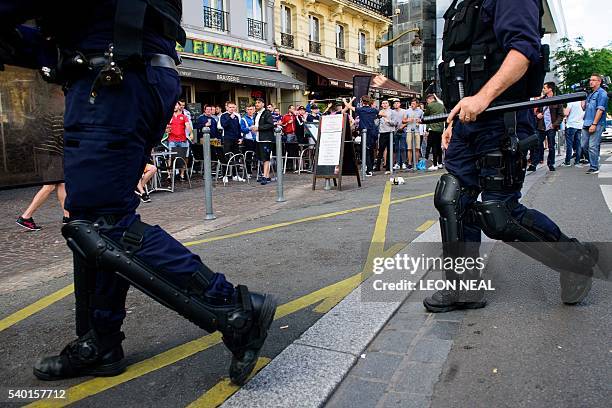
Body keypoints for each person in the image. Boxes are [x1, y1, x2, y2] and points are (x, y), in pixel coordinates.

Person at [0, 0, 276, 385]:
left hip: (113, 77)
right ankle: (102, 340)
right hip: (124, 73)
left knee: (101, 224)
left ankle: (232, 309)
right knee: (95, 220)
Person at [424, 0, 597, 313]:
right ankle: (464, 287)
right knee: (454, 199)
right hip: (467, 122)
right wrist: (453, 120)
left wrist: (482, 98)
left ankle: (576, 259)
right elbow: (459, 68)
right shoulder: (460, 5)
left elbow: (522, 54)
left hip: (501, 120)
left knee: (498, 212)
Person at [532, 82, 564, 171]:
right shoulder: (542, 100)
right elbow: (536, 111)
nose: (543, 89)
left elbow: (561, 115)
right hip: (541, 126)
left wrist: (554, 125)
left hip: (551, 127)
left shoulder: (557, 100)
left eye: (545, 88)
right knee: (537, 145)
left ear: (550, 89)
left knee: (551, 146)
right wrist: (538, 114)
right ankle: (534, 164)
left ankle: (551, 164)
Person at [581, 74, 609, 174]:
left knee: (592, 146)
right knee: (583, 146)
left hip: (596, 123)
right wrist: (583, 96)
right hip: (586, 123)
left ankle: (594, 167)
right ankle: (594, 160)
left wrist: (594, 124)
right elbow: (583, 108)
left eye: (593, 80)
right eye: (590, 80)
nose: (591, 82)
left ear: (599, 82)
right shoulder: (590, 94)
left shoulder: (602, 93)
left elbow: (600, 110)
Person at [167, 101, 192, 181]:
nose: (174, 106)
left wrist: (191, 133)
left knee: (184, 158)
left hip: (183, 140)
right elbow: (165, 128)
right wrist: (166, 130)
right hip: (172, 140)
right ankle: (169, 175)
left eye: (176, 105)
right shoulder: (169, 116)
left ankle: (182, 174)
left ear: (179, 106)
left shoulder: (184, 116)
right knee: (171, 158)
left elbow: (188, 126)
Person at [252, 98, 275, 185]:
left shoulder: (267, 113)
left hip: (266, 139)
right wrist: (254, 128)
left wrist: (258, 128)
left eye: (259, 103)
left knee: (266, 158)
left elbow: (270, 125)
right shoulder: (256, 114)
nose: (257, 104)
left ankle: (265, 176)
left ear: (263, 104)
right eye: (256, 103)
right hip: (259, 138)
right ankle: (266, 176)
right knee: (262, 158)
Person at [220, 102, 245, 182]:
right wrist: (230, 118)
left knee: (236, 157)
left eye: (233, 107)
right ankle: (225, 175)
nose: (232, 109)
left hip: (235, 139)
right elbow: (224, 125)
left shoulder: (236, 117)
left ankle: (235, 175)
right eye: (230, 107)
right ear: (227, 108)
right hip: (227, 139)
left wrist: (240, 138)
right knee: (226, 157)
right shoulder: (223, 116)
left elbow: (238, 128)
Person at [355, 96, 379, 176]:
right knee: (371, 150)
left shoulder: (361, 110)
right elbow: (379, 113)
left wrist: (347, 101)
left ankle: (369, 170)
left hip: (365, 132)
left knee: (366, 151)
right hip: (373, 132)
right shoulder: (373, 110)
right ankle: (370, 167)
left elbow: (349, 106)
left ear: (362, 102)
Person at [424, 94, 445, 170]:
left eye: (427, 100)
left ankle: (435, 164)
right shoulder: (441, 105)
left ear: (429, 99)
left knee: (434, 147)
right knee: (439, 146)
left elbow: (425, 115)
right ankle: (440, 163)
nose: (427, 102)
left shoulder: (429, 106)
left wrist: (427, 129)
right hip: (440, 128)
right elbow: (445, 114)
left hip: (433, 128)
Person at [376, 99, 397, 173]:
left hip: (390, 132)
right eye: (383, 103)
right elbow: (376, 123)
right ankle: (377, 166)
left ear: (389, 104)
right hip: (382, 132)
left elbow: (395, 122)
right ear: (381, 105)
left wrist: (388, 121)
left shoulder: (392, 112)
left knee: (390, 150)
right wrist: (378, 117)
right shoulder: (380, 111)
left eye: (386, 103)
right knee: (380, 150)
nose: (384, 104)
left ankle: (388, 166)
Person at [562, 99, 584, 166]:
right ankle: (577, 161)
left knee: (569, 144)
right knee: (578, 144)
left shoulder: (571, 102)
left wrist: (563, 109)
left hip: (571, 125)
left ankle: (567, 161)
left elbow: (566, 113)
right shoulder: (582, 103)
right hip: (579, 125)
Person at [240, 105, 257, 176]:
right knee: (248, 156)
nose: (250, 111)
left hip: (256, 139)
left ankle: (260, 171)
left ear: (254, 110)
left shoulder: (257, 118)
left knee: (258, 156)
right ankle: (248, 172)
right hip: (248, 139)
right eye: (248, 109)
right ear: (246, 110)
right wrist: (250, 128)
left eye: (251, 109)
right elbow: (242, 129)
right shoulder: (243, 119)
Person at [405, 99, 422, 169]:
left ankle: (417, 162)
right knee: (409, 148)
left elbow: (423, 120)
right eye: (412, 104)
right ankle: (409, 163)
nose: (412, 105)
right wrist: (408, 120)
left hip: (417, 131)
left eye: (414, 104)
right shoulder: (407, 110)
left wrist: (420, 121)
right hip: (409, 130)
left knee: (417, 148)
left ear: (417, 104)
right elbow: (403, 120)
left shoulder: (420, 111)